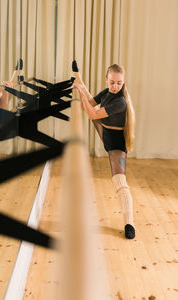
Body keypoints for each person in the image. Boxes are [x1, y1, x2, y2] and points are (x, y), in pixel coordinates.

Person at [72, 61, 135, 239]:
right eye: (112, 82)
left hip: (115, 144)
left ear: (123, 82)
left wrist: (81, 91)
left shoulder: (120, 102)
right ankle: (78, 75)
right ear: (106, 79)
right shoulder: (106, 93)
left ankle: (129, 223)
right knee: (89, 102)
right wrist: (80, 90)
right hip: (105, 130)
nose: (115, 86)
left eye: (119, 83)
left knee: (120, 181)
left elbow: (91, 113)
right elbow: (87, 105)